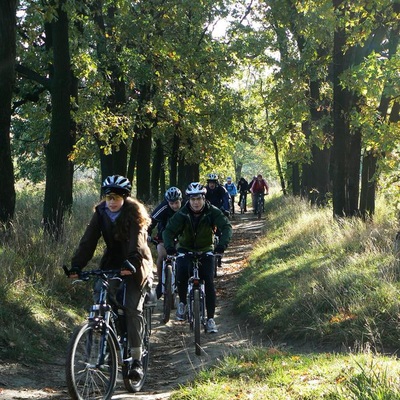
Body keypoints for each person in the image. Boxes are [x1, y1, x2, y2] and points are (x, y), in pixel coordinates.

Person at [68, 175, 153, 381]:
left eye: (116, 197)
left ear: (125, 197)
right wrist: (77, 264)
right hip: (113, 262)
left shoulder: (134, 213)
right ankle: (104, 342)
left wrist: (131, 262)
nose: (112, 201)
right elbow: (88, 240)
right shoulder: (101, 212)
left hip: (136, 263)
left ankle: (135, 359)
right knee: (100, 295)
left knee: (131, 308)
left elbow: (139, 243)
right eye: (108, 197)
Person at [162, 182, 232, 333]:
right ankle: (182, 303)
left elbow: (226, 227)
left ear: (203, 198)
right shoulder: (182, 213)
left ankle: (211, 319)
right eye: (192, 199)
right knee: (181, 272)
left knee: (208, 280)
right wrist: (169, 247)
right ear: (188, 200)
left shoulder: (212, 211)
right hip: (185, 248)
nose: (195, 202)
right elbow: (168, 231)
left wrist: (221, 246)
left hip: (206, 248)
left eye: (198, 199)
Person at [147, 187, 182, 298]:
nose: (174, 206)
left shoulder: (187, 207)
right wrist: (147, 233)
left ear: (180, 200)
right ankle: (161, 284)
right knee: (162, 255)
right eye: (171, 203)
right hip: (163, 237)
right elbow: (150, 221)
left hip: (181, 237)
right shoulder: (163, 207)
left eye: (176, 202)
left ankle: (181, 282)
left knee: (182, 257)